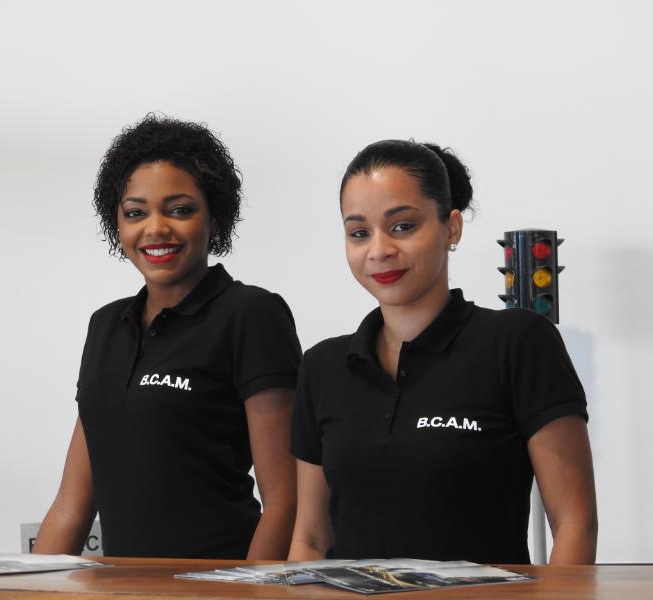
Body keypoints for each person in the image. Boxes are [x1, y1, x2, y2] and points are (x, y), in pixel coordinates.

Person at [288, 139, 597, 565]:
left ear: (451, 227)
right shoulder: (322, 366)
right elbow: (309, 539)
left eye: (402, 226)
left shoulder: (518, 341)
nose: (379, 250)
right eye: (359, 233)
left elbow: (575, 523)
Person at [33, 115, 301, 559]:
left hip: (219, 583)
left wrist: (250, 590)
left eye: (179, 210)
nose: (155, 228)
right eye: (136, 213)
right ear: (117, 225)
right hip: (122, 587)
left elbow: (287, 502)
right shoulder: (106, 326)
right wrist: (24, 588)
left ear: (215, 218)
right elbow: (71, 505)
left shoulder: (251, 314)